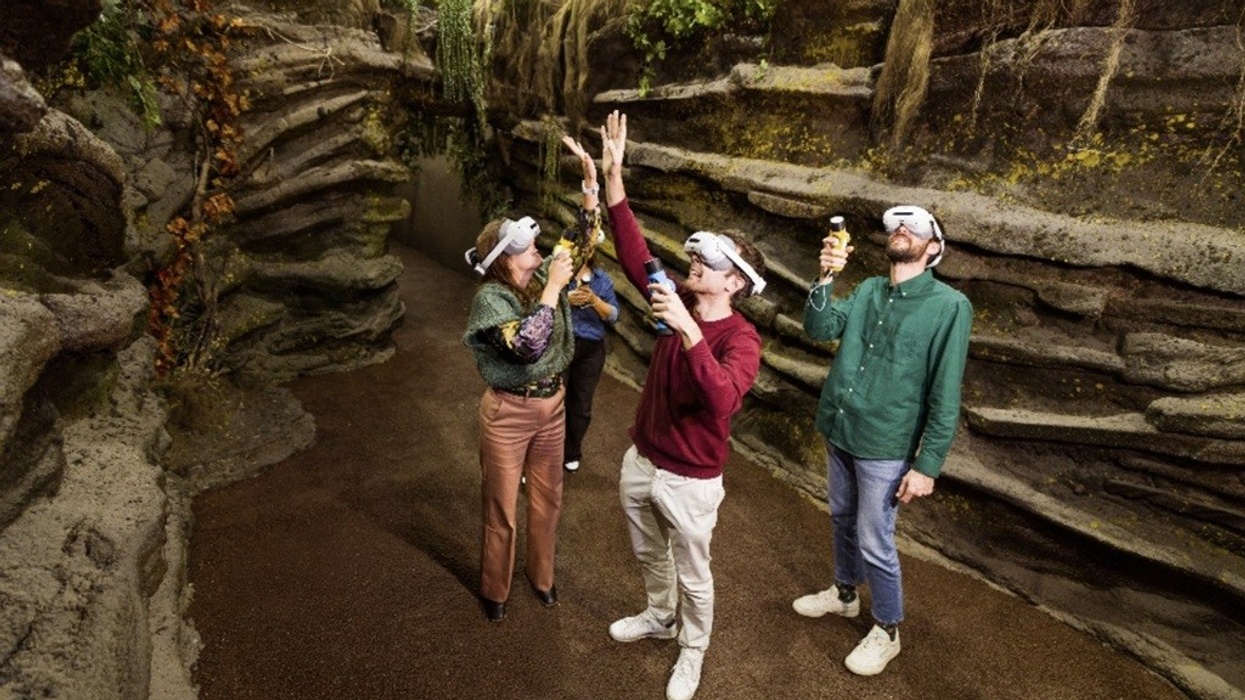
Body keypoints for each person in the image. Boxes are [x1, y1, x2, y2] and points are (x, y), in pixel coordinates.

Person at [567, 111, 767, 700]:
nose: (694, 263)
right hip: (643, 458)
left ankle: (693, 650)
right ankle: (660, 616)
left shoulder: (741, 339)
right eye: (697, 257)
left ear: (736, 283)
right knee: (648, 551)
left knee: (693, 571)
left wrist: (687, 330)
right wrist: (614, 179)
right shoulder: (674, 294)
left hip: (691, 479)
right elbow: (634, 257)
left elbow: (723, 398)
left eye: (711, 262)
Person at [792, 205, 973, 676]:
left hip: (885, 444)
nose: (902, 229)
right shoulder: (870, 288)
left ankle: (888, 629)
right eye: (896, 225)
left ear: (934, 248)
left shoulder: (949, 306)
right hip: (840, 427)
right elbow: (819, 328)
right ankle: (845, 594)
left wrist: (927, 465)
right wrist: (826, 278)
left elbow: (945, 391)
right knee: (841, 517)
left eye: (915, 227)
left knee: (875, 539)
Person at [461, 143, 602, 623]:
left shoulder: (542, 273)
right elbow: (526, 346)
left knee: (549, 499)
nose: (539, 252)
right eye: (528, 248)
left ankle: (541, 578)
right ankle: (494, 588)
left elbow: (580, 240)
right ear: (506, 259)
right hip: (509, 413)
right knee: (502, 507)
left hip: (553, 407)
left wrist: (589, 185)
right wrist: (554, 290)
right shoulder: (491, 300)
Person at [562, 241, 619, 473]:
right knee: (551, 402)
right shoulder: (557, 273)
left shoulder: (602, 280)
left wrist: (595, 301)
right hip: (562, 344)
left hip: (591, 349)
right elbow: (539, 305)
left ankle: (572, 451)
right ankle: (541, 455)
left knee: (581, 404)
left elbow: (614, 316)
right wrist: (566, 300)